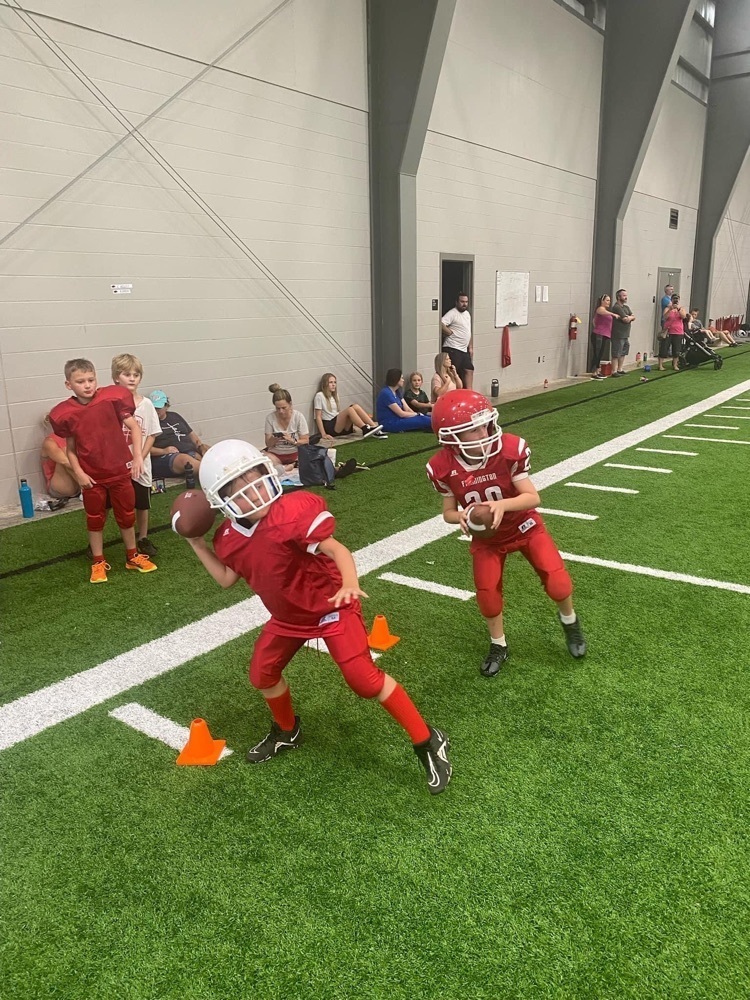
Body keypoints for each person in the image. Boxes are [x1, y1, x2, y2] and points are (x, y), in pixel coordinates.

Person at [183, 439, 452, 794]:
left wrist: (350, 583)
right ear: (222, 501)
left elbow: (336, 549)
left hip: (331, 608)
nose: (255, 492)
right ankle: (287, 730)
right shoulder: (229, 537)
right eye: (241, 489)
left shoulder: (291, 513)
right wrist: (197, 543)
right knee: (262, 674)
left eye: (257, 479)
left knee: (363, 680)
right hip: (288, 618)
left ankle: (428, 740)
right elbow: (225, 578)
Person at [427, 389, 586, 676]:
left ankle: (570, 621)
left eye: (485, 424)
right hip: (488, 539)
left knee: (558, 582)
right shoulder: (442, 467)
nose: (484, 433)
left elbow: (532, 497)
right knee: (487, 594)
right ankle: (498, 644)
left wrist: (502, 504)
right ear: (451, 437)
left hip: (524, 525)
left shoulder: (509, 450)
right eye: (473, 429)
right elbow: (448, 512)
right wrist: (460, 516)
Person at [49, 359, 157, 583]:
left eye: (91, 379)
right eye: (80, 381)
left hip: (119, 470)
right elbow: (70, 449)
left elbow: (135, 427)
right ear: (69, 384)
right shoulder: (67, 413)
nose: (87, 385)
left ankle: (132, 555)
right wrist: (79, 472)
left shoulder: (112, 399)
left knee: (126, 515)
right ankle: (98, 561)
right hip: (92, 475)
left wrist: (138, 456)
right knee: (95, 518)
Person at [112, 353, 161, 558]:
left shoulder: (146, 404)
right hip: (116, 465)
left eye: (136, 374)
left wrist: (139, 457)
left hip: (140, 464)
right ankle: (97, 540)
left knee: (142, 503)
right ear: (116, 377)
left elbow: (151, 434)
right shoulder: (110, 403)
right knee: (112, 502)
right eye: (127, 374)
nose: (132, 378)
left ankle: (143, 537)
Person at [150, 391, 209, 480]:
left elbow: (191, 434)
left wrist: (201, 446)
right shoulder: (149, 422)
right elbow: (144, 448)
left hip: (188, 450)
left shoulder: (175, 416)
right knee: (185, 460)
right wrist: (164, 451)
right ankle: (213, 473)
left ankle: (224, 470)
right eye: (153, 408)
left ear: (166, 406)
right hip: (166, 456)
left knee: (208, 450)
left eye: (158, 408)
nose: (156, 410)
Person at [313, 373, 386, 440]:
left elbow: (337, 413)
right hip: (330, 426)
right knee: (349, 410)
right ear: (325, 384)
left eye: (335, 382)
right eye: (330, 382)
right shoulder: (319, 395)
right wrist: (323, 434)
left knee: (355, 406)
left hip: (339, 426)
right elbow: (318, 417)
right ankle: (365, 429)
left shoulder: (335, 395)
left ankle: (375, 428)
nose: (333, 384)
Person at [264, 383, 309, 467]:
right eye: (278, 408)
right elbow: (268, 444)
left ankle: (289, 465)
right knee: (263, 459)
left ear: (290, 404)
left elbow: (306, 440)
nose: (281, 411)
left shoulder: (298, 416)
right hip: (276, 454)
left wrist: (293, 441)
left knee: (309, 456)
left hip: (295, 453)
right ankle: (288, 466)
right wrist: (274, 439)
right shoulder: (270, 418)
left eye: (284, 408)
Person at [40, 415, 80, 499]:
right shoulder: (49, 442)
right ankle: (86, 489)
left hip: (77, 482)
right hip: (59, 488)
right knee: (67, 458)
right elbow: (66, 462)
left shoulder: (72, 437)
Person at [441, 292, 474, 389]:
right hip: (453, 347)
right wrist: (449, 332)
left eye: (466, 302)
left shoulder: (467, 314)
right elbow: (440, 323)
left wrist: (470, 347)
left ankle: (469, 392)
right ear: (457, 302)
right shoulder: (452, 313)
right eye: (462, 301)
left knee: (469, 369)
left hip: (464, 349)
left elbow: (468, 331)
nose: (464, 304)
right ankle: (452, 392)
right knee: (453, 372)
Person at [590, 294, 619, 379]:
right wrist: (613, 314)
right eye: (607, 300)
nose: (609, 302)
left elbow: (594, 321)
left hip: (603, 335)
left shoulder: (605, 310)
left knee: (600, 353)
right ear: (602, 301)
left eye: (609, 300)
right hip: (598, 334)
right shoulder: (600, 309)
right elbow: (601, 313)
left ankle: (597, 371)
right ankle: (594, 372)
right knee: (597, 353)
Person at [609, 289, 636, 376]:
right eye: (624, 295)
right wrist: (629, 317)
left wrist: (629, 317)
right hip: (618, 334)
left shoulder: (626, 307)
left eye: (626, 295)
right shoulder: (617, 307)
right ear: (618, 297)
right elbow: (625, 320)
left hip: (625, 334)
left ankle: (620, 369)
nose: (626, 297)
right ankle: (614, 371)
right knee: (616, 353)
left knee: (623, 352)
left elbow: (633, 317)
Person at [660, 293, 687, 371]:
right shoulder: (667, 308)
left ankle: (675, 365)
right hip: (668, 332)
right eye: (674, 299)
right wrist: (670, 309)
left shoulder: (681, 309)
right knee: (664, 348)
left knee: (676, 350)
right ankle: (660, 365)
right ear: (671, 300)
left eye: (677, 299)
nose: (675, 301)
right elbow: (665, 317)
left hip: (678, 332)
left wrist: (678, 309)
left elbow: (683, 317)